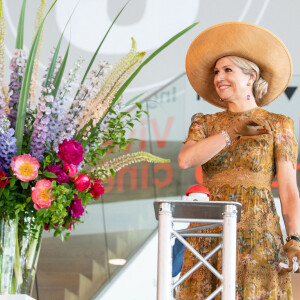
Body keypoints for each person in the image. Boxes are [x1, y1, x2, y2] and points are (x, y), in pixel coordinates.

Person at [177, 22, 300, 299]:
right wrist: (231, 132)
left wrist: (295, 239)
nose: (219, 77)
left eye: (227, 70)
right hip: (209, 229)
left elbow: (289, 188)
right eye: (216, 72)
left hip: (258, 231)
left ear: (250, 76)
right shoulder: (205, 122)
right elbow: (186, 160)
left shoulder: (280, 124)